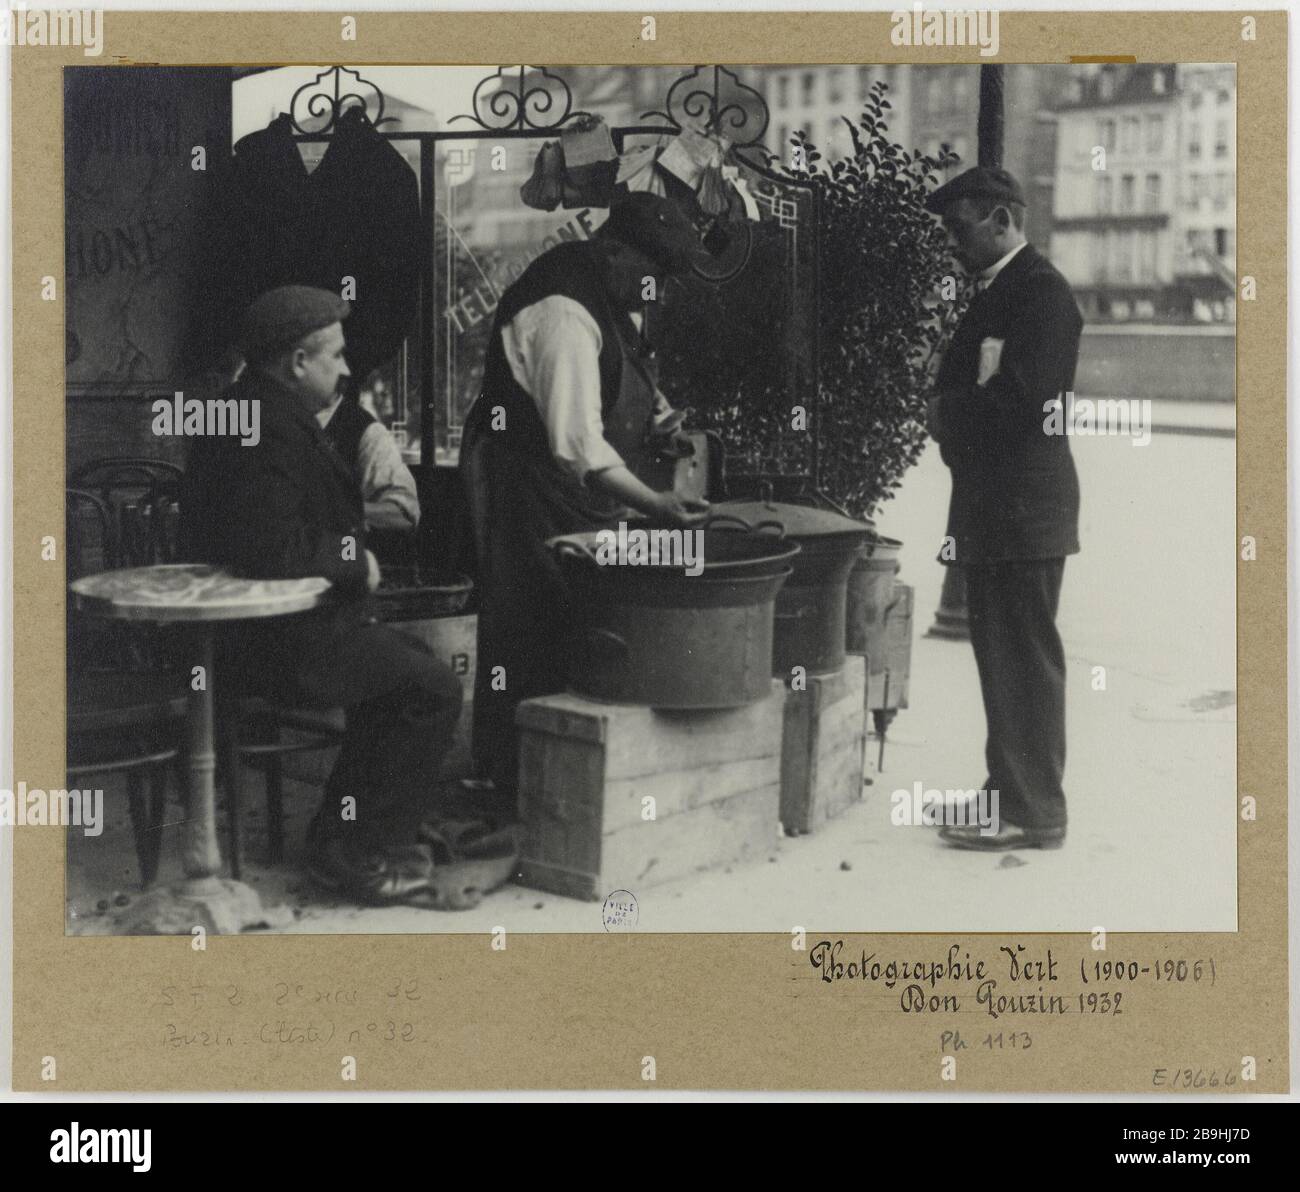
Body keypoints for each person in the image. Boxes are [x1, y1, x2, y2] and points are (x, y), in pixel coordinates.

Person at [180, 285, 465, 903]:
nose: (346, 367)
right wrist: (354, 559)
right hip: (271, 639)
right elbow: (272, 547)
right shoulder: (268, 427)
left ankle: (343, 832)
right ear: (296, 362)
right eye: (334, 355)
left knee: (409, 664)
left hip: (273, 628)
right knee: (431, 689)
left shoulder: (256, 410)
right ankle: (358, 854)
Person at [460, 191, 710, 803]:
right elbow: (577, 444)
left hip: (573, 489)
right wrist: (657, 507)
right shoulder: (562, 310)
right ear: (614, 251)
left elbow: (623, 376)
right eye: (653, 277)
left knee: (579, 627)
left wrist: (659, 420)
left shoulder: (620, 291)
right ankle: (511, 787)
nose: (657, 293)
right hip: (526, 484)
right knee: (528, 626)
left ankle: (572, 784)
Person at [923, 167, 1084, 851]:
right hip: (1000, 508)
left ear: (1000, 219)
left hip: (1023, 510)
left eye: (959, 229)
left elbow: (1023, 402)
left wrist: (943, 415)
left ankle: (1034, 811)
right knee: (1001, 656)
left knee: (1022, 658)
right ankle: (1007, 793)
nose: (952, 244)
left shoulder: (1042, 295)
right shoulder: (1005, 291)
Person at [316, 386, 420, 533]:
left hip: (344, 549)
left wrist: (333, 509)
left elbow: (404, 513)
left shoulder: (368, 432)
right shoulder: (284, 421)